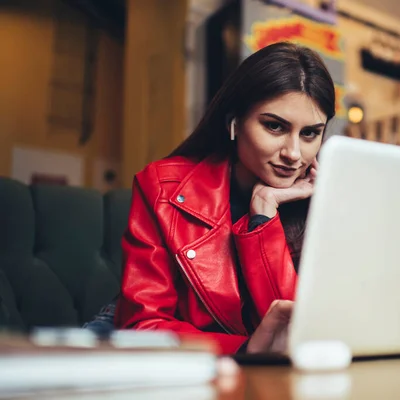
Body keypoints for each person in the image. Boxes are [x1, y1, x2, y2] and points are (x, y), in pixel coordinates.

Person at [86, 42, 336, 355]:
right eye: (274, 126)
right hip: (155, 346)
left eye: (310, 133)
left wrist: (263, 215)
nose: (293, 153)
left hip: (248, 361)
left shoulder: (325, 203)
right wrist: (244, 349)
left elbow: (297, 332)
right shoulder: (163, 187)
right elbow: (142, 325)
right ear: (234, 122)